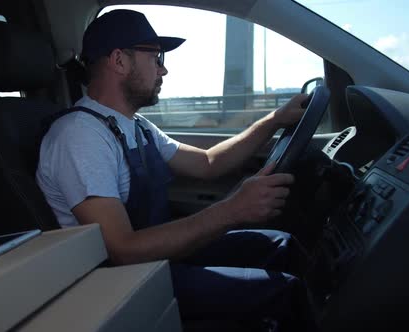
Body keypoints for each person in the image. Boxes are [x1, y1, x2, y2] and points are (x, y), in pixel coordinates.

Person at [37, 9, 315, 330]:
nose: (164, 69)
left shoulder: (136, 126)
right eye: (156, 57)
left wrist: (273, 121)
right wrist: (232, 209)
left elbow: (208, 163)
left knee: (281, 245)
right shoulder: (81, 136)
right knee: (285, 292)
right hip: (125, 281)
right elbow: (122, 250)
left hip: (156, 258)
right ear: (119, 61)